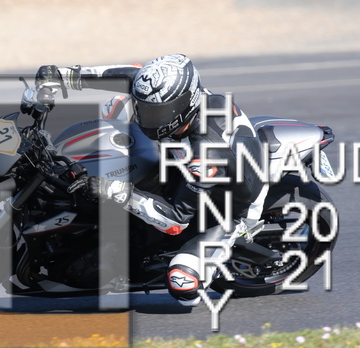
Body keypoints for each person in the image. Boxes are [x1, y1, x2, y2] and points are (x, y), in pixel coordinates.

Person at [36, 54, 268, 306]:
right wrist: (63, 75)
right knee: (114, 109)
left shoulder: (207, 154)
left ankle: (207, 259)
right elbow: (128, 74)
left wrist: (114, 190)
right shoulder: (170, 94)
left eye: (157, 113)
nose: (146, 117)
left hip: (227, 208)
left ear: (183, 105)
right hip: (186, 165)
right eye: (145, 108)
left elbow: (176, 221)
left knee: (183, 284)